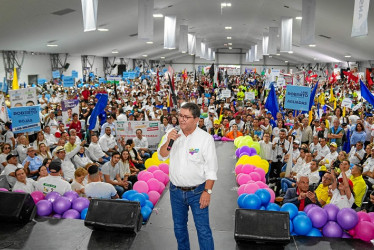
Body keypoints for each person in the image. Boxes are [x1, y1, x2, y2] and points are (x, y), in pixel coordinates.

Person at [158, 102, 218, 250]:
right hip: (175, 191)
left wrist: (207, 192)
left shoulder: (205, 139)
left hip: (198, 192)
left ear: (196, 119)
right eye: (180, 115)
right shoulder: (172, 134)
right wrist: (169, 141)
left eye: (186, 117)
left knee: (203, 230)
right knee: (179, 229)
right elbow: (162, 156)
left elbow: (211, 169)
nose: (182, 119)